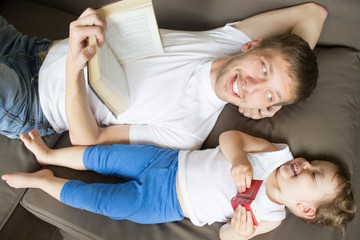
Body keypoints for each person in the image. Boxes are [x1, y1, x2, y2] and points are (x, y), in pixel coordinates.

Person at [0, 3, 328, 150]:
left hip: (30, 104)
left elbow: (89, 140)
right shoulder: (229, 42)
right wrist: (274, 97)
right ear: (253, 45)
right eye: (264, 69)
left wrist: (74, 68)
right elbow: (312, 13)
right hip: (31, 47)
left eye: (268, 95)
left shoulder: (188, 131)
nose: (251, 86)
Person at [2, 129, 355, 240]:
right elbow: (231, 136)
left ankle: (41, 181)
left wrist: (238, 233)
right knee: (104, 156)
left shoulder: (271, 216)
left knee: (103, 202)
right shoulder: (275, 155)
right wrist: (239, 159)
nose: (305, 163)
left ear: (305, 210)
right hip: (168, 162)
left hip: (163, 203)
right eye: (313, 162)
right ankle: (49, 155)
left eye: (313, 174)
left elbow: (223, 236)